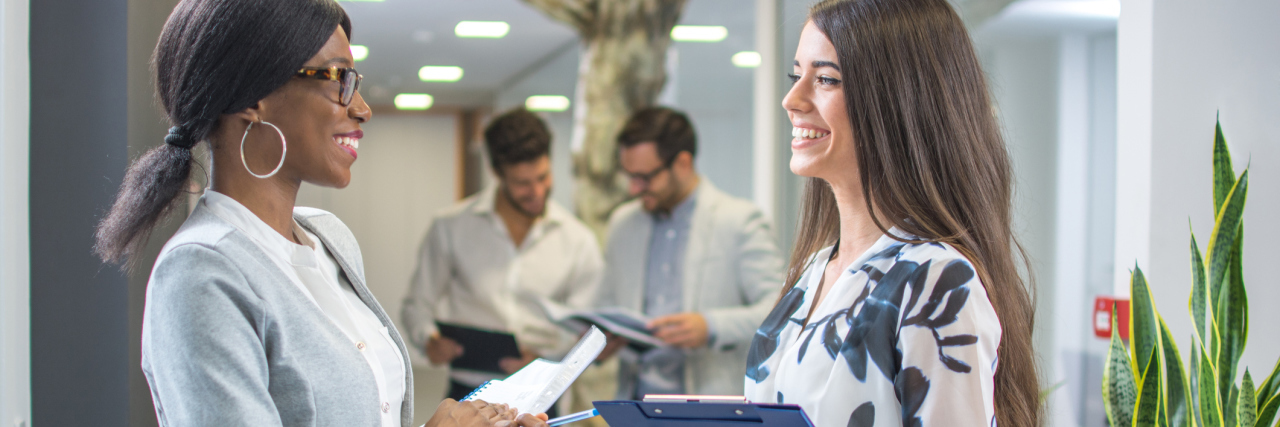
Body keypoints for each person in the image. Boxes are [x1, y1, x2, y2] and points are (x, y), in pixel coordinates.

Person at [93, 1, 546, 426]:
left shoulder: (329, 238)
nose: (362, 109)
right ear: (254, 97)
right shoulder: (199, 272)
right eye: (339, 79)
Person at [742, 0, 1042, 426]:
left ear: (898, 101)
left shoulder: (935, 281)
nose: (793, 99)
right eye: (797, 75)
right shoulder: (815, 270)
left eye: (825, 78)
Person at [401, 108, 604, 410]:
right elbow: (416, 304)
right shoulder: (451, 226)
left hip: (540, 394)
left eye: (543, 177)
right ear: (497, 173)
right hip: (468, 391)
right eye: (523, 183)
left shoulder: (578, 240)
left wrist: (549, 357)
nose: (536, 191)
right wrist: (429, 340)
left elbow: (585, 330)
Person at [595, 107, 784, 399]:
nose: (634, 188)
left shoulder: (739, 221)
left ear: (683, 163)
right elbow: (606, 305)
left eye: (645, 177)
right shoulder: (623, 224)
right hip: (634, 405)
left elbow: (779, 311)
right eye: (629, 176)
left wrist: (711, 326)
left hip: (709, 406)